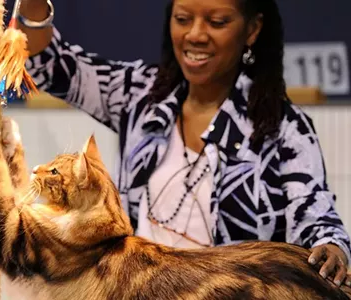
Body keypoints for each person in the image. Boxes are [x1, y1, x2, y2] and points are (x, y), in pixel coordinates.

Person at [19, 0, 351, 286]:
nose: (194, 34)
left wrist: (332, 247)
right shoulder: (143, 94)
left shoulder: (284, 127)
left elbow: (315, 216)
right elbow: (49, 63)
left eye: (216, 22)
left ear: (252, 30)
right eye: (182, 19)